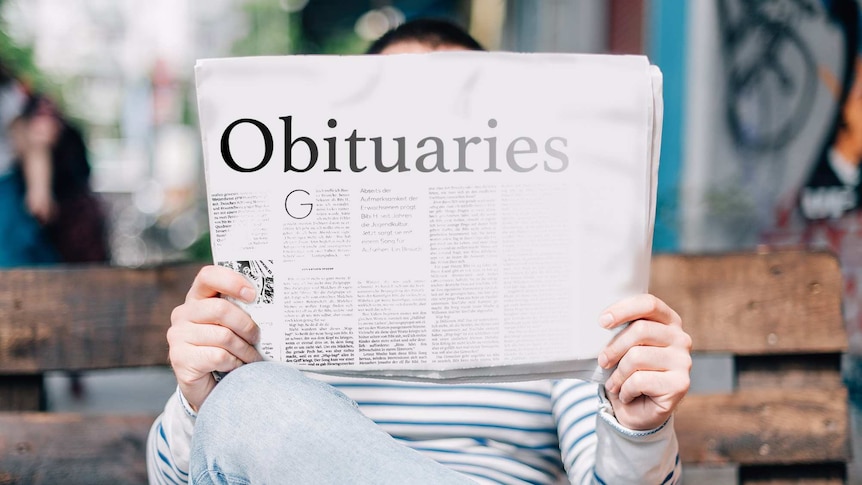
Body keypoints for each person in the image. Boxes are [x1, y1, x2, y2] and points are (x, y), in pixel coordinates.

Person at [148, 19, 691, 484]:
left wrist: (637, 427)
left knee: (251, 402)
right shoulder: (274, 305)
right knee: (249, 401)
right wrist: (200, 400)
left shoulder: (555, 289)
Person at [0, 61, 57, 267]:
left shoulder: (6, 93)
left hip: (4, 188)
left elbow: (31, 146)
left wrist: (39, 189)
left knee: (10, 255)